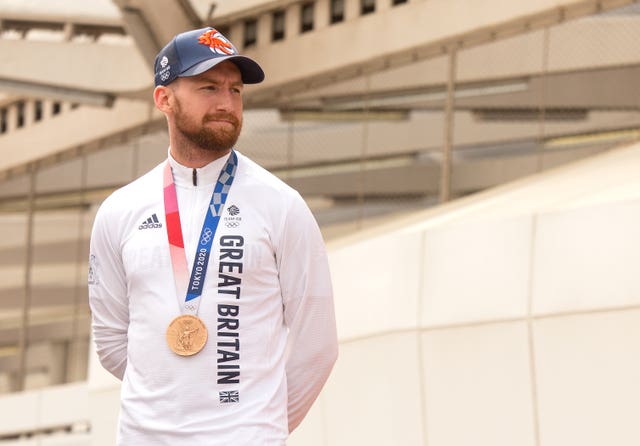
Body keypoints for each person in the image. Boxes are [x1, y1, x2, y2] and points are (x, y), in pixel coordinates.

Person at [88, 26, 338, 445]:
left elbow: (318, 346)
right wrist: (170, 398)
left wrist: (257, 425)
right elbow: (112, 339)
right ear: (163, 99)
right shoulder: (120, 211)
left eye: (235, 91)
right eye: (208, 87)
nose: (227, 103)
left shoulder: (281, 205)